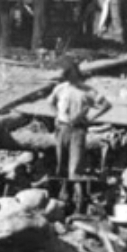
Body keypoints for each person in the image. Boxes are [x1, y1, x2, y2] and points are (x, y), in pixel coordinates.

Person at [48, 59, 112, 190]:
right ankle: (60, 192)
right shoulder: (60, 88)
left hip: (78, 130)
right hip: (62, 128)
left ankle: (77, 196)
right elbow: (50, 102)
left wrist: (92, 118)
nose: (66, 78)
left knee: (75, 167)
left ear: (75, 73)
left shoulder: (87, 90)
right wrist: (56, 115)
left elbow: (106, 105)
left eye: (68, 74)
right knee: (60, 163)